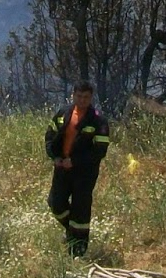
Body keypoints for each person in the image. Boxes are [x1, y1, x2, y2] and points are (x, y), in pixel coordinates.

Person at [45, 80, 110, 258]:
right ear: (73, 95)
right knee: (56, 203)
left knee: (81, 209)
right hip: (62, 168)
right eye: (79, 96)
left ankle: (78, 251)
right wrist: (55, 157)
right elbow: (50, 136)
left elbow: (99, 151)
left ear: (91, 98)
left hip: (85, 173)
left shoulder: (98, 120)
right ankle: (71, 232)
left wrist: (75, 161)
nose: (82, 100)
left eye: (86, 97)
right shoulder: (63, 113)